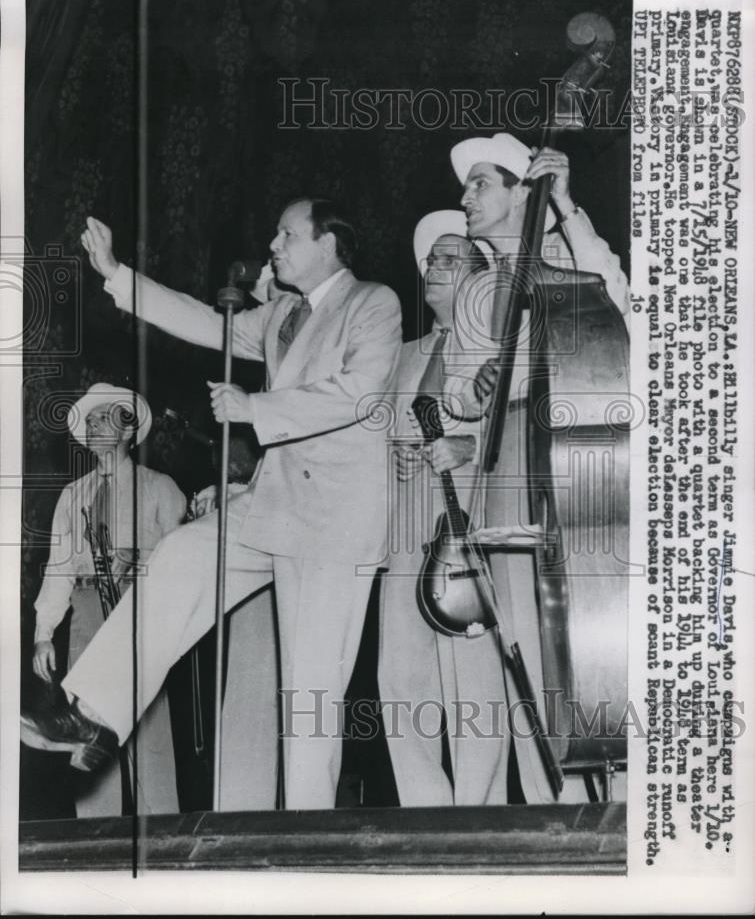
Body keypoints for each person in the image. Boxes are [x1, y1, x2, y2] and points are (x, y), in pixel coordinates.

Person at [22, 197, 402, 811]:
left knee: (311, 686)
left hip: (334, 519)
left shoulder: (373, 303)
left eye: (285, 234)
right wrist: (117, 273)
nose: (272, 245)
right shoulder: (282, 314)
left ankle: (308, 837)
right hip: (270, 506)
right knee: (178, 558)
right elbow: (203, 321)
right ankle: (87, 713)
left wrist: (257, 409)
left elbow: (361, 393)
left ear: (328, 243)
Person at [443, 131, 630, 803]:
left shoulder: (563, 256)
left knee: (588, 639)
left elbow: (620, 299)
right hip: (504, 464)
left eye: (479, 185)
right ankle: (549, 814)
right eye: (465, 187)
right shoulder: (476, 287)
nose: (464, 197)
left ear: (522, 192)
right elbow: (455, 393)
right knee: (522, 638)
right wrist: (476, 389)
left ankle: (621, 808)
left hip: (568, 457)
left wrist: (567, 208)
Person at [378, 210, 511, 806]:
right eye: (431, 259)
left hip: (472, 519)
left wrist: (471, 445)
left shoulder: (501, 350)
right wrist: (399, 458)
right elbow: (377, 435)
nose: (433, 266)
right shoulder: (402, 355)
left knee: (475, 670)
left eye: (450, 258)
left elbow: (523, 433)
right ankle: (424, 810)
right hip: (408, 523)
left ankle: (479, 810)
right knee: (401, 672)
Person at [30, 383, 185, 816]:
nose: (94, 425)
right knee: (87, 724)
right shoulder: (72, 495)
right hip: (86, 613)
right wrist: (44, 633)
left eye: (104, 417)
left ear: (127, 429)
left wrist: (141, 562)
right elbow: (58, 566)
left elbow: (185, 560)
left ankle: (162, 838)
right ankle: (97, 835)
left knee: (147, 728)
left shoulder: (159, 487)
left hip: (141, 615)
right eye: (90, 420)